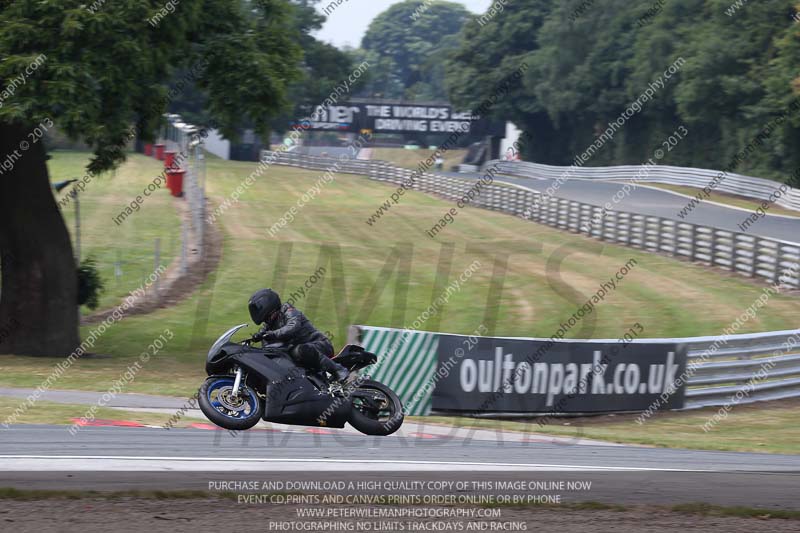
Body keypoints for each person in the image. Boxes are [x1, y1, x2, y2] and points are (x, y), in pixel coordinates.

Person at [247, 288, 349, 382]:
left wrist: (272, 334)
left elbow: (292, 327)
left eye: (267, 317)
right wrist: (256, 337)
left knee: (300, 350)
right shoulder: (270, 323)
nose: (266, 320)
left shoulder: (289, 311)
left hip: (319, 345)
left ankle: (338, 370)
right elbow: (264, 335)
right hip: (299, 352)